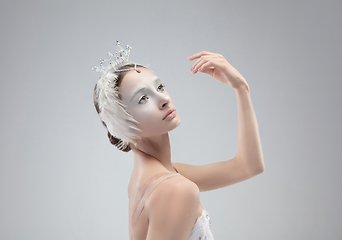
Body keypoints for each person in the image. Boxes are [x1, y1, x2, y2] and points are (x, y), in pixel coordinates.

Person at [93, 41, 265, 240]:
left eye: (159, 86)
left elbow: (247, 166)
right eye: (143, 98)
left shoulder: (159, 176)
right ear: (122, 123)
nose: (163, 99)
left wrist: (241, 88)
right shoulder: (174, 188)